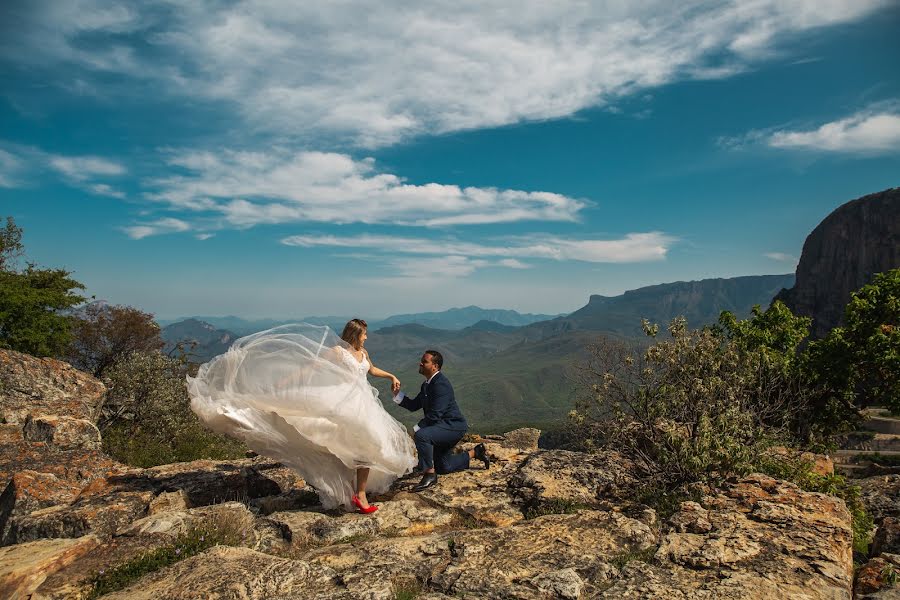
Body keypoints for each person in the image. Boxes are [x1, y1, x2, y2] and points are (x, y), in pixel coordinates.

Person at [187, 320, 416, 514]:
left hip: (363, 402)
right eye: (364, 333)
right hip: (342, 400)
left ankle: (358, 493)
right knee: (358, 446)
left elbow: (372, 370)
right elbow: (312, 367)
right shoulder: (338, 352)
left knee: (365, 445)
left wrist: (391, 376)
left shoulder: (363, 353)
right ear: (356, 334)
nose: (367, 337)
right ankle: (359, 495)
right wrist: (285, 385)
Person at [393, 350, 490, 492]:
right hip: (441, 428)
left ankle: (429, 474)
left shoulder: (440, 384)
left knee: (422, 435)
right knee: (444, 467)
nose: (420, 363)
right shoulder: (427, 384)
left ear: (435, 366)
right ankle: (475, 453)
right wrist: (397, 395)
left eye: (425, 361)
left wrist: (416, 429)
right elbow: (414, 405)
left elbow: (435, 414)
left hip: (453, 426)